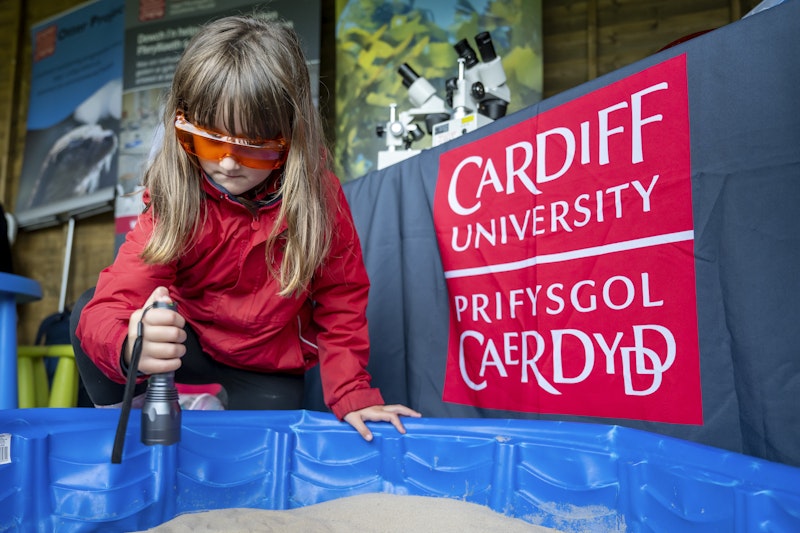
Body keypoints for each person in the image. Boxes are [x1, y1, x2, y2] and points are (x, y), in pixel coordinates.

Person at [72, 13, 420, 441]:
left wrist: (352, 392)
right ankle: (141, 419)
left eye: (253, 146)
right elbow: (114, 301)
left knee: (256, 449)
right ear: (182, 125)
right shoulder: (177, 194)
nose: (228, 164)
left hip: (265, 362)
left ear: (291, 135)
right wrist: (131, 347)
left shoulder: (320, 198)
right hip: (190, 342)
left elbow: (341, 298)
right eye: (210, 141)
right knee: (88, 314)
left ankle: (204, 407)